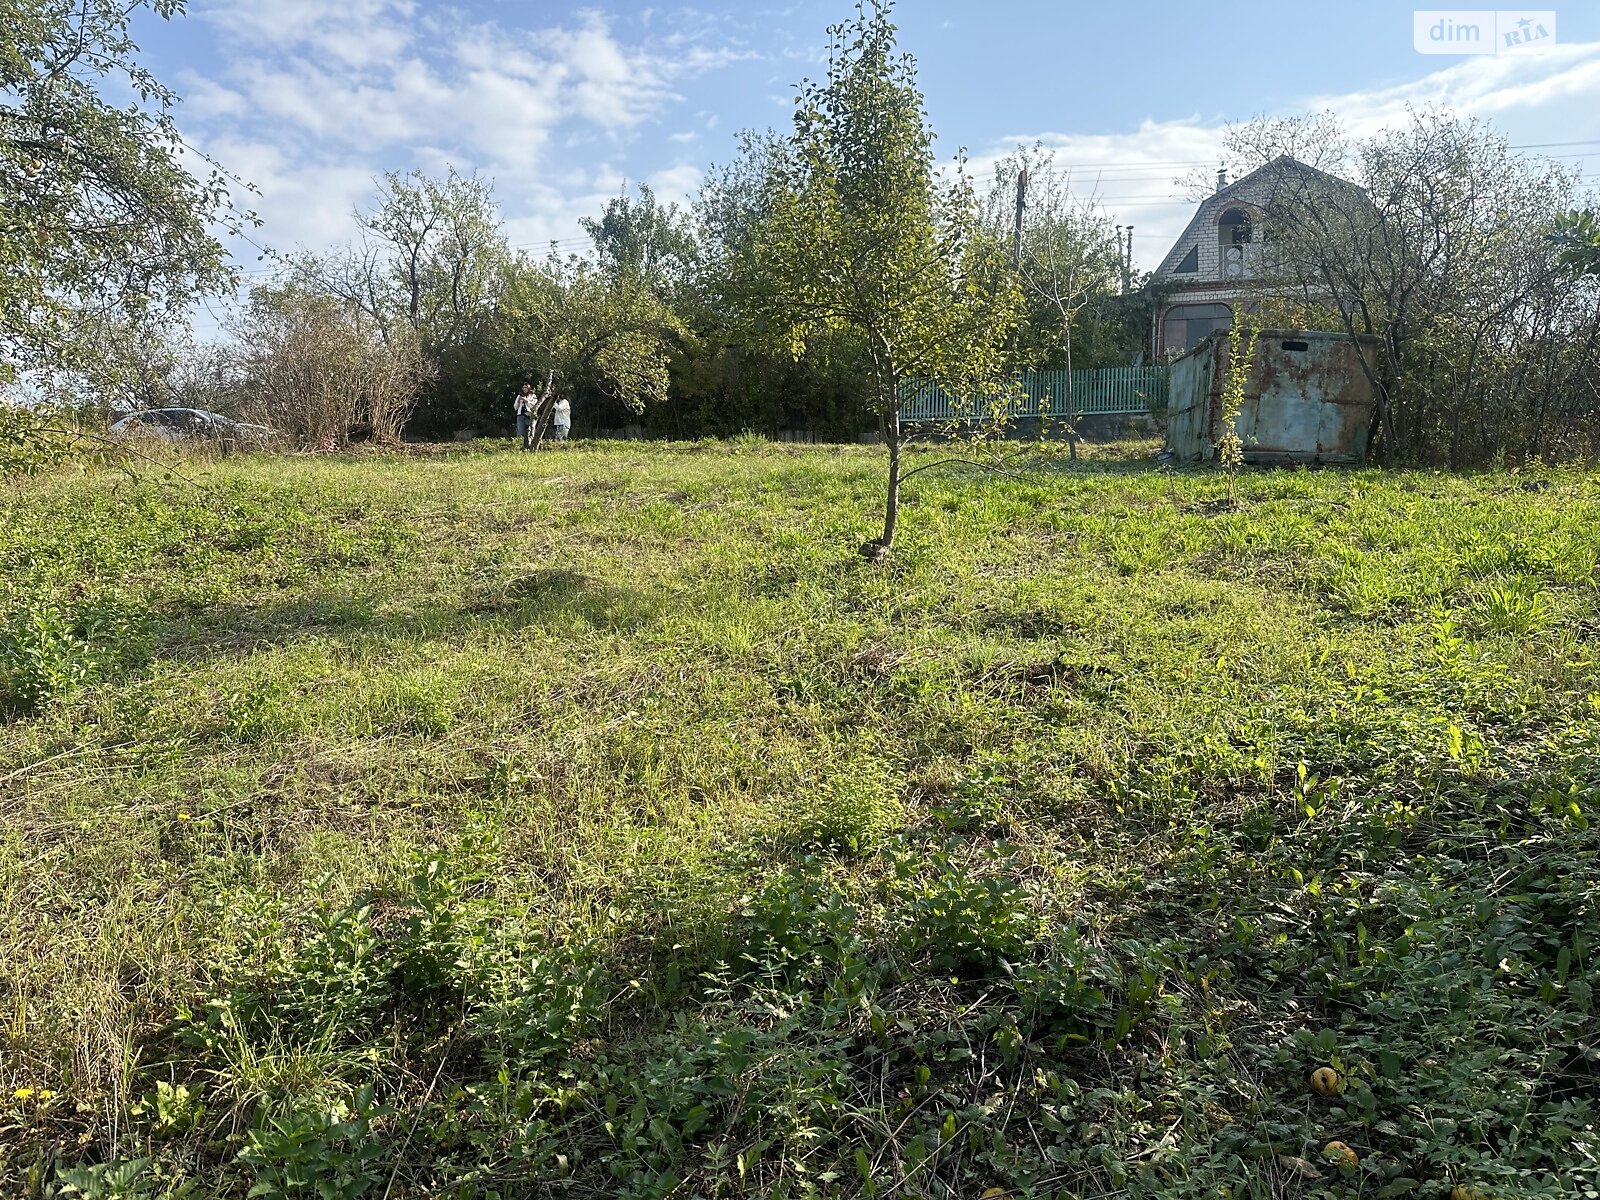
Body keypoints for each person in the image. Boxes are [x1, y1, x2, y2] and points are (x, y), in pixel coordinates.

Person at [513, 383, 535, 450]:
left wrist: (526, 401)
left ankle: (530, 444)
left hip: (529, 414)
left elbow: (534, 405)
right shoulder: (519, 395)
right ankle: (520, 445)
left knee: (530, 430)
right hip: (520, 415)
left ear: (528, 388)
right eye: (523, 387)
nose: (524, 389)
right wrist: (519, 402)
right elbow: (515, 407)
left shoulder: (532, 396)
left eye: (526, 387)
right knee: (520, 431)